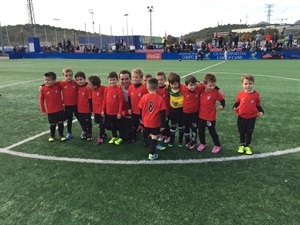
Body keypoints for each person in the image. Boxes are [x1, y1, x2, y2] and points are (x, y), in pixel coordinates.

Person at [233, 74, 264, 155]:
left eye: (250, 83)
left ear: (253, 84)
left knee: (249, 132)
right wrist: (234, 107)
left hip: (251, 117)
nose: (248, 86)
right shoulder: (240, 94)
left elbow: (258, 104)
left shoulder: (256, 94)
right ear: (242, 84)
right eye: (245, 84)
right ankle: (242, 144)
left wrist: (261, 111)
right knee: (241, 131)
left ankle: (247, 146)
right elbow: (237, 102)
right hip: (241, 116)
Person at [138, 78, 166, 160]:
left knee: (149, 134)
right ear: (157, 87)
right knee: (154, 136)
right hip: (155, 122)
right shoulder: (160, 98)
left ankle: (153, 145)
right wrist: (163, 124)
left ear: (147, 88)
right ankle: (152, 154)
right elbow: (163, 113)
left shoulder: (144, 97)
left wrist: (141, 120)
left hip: (145, 121)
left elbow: (140, 109)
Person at [197, 74, 225, 154]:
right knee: (201, 131)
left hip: (210, 117)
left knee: (212, 131)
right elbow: (199, 83)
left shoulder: (215, 92)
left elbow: (222, 100)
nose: (212, 87)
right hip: (201, 116)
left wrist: (222, 105)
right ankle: (202, 143)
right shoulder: (201, 89)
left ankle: (217, 145)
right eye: (210, 85)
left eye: (214, 85)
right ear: (205, 85)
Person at [39, 72, 66, 142]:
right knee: (52, 124)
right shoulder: (43, 89)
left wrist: (56, 82)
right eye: (45, 80)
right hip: (51, 110)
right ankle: (52, 135)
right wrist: (43, 110)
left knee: (60, 123)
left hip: (60, 109)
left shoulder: (57, 86)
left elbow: (63, 83)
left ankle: (61, 135)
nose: (46, 82)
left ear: (54, 80)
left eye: (48, 80)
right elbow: (41, 99)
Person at [101, 71, 124, 145]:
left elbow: (121, 102)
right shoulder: (107, 89)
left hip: (116, 113)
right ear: (108, 80)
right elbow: (104, 100)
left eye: (113, 80)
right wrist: (103, 110)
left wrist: (119, 112)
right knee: (112, 125)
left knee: (119, 126)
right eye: (110, 80)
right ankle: (114, 136)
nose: (112, 81)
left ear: (117, 80)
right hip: (109, 112)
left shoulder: (119, 90)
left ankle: (121, 137)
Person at [127, 68, 148, 144]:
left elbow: (145, 101)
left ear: (141, 78)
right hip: (133, 111)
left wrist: (143, 111)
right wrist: (129, 108)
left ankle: (146, 139)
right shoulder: (131, 87)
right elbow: (129, 98)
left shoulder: (143, 89)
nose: (134, 79)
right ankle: (133, 138)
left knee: (144, 125)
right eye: (133, 77)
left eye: (137, 77)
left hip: (141, 112)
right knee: (133, 125)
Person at [58, 68, 79, 140]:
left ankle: (85, 131)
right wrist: (42, 85)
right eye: (66, 75)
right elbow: (52, 83)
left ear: (72, 75)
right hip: (67, 105)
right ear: (63, 76)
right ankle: (69, 132)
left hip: (76, 105)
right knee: (69, 119)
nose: (68, 77)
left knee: (80, 118)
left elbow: (84, 84)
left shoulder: (76, 83)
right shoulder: (61, 83)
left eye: (70, 75)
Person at [88, 75, 106, 144]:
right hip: (96, 111)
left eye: (90, 84)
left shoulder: (103, 88)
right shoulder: (91, 89)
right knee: (98, 122)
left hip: (102, 111)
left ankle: (101, 137)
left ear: (95, 86)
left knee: (102, 124)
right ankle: (103, 134)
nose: (88, 85)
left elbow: (110, 89)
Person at [75, 71, 93, 141]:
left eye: (81, 79)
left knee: (88, 122)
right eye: (77, 80)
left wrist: (91, 109)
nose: (79, 81)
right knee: (82, 121)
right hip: (79, 109)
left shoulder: (87, 87)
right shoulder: (77, 87)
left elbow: (90, 99)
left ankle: (89, 134)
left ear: (85, 79)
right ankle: (84, 132)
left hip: (86, 109)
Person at [168, 72, 184, 147]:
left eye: (175, 84)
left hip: (181, 110)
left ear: (179, 83)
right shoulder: (168, 87)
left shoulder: (182, 89)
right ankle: (172, 139)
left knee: (181, 125)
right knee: (173, 125)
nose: (173, 86)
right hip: (173, 110)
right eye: (171, 84)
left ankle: (180, 140)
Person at [156, 71, 171, 144]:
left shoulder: (167, 88)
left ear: (165, 80)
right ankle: (162, 135)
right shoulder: (155, 89)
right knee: (160, 123)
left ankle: (168, 135)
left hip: (166, 111)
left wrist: (168, 85)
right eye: (158, 80)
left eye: (161, 80)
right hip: (158, 111)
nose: (159, 81)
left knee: (165, 123)